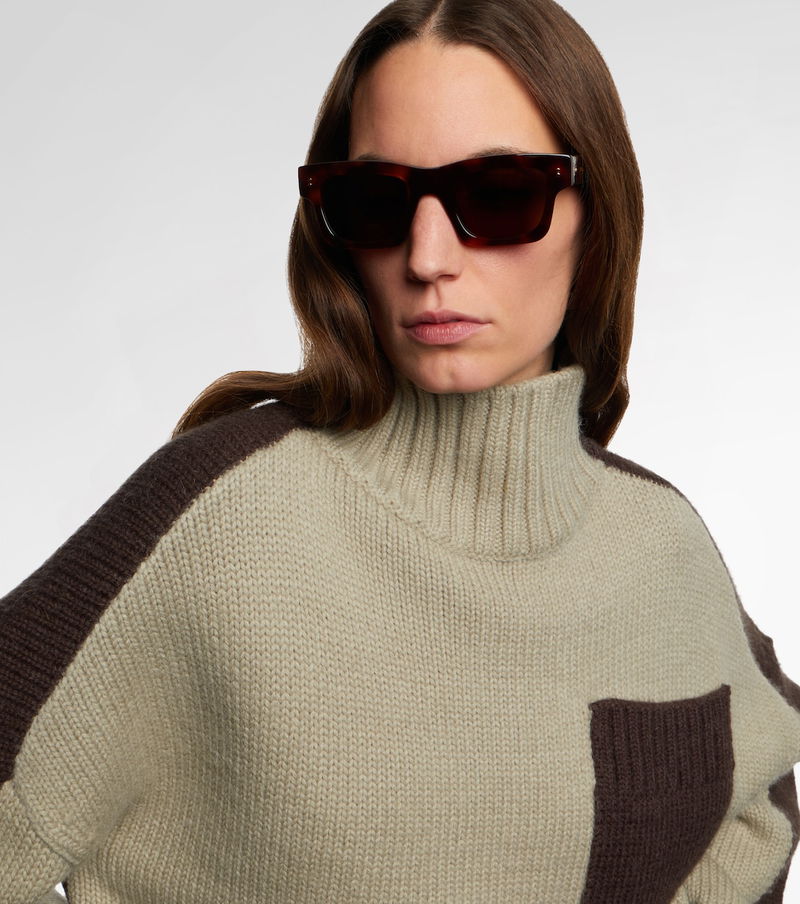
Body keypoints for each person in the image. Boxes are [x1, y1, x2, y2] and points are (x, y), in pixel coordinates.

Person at [2, 0, 799, 901]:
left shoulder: (662, 544)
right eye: (376, 201)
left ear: (598, 213)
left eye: (499, 195)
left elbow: (761, 804)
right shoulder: (222, 519)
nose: (427, 257)